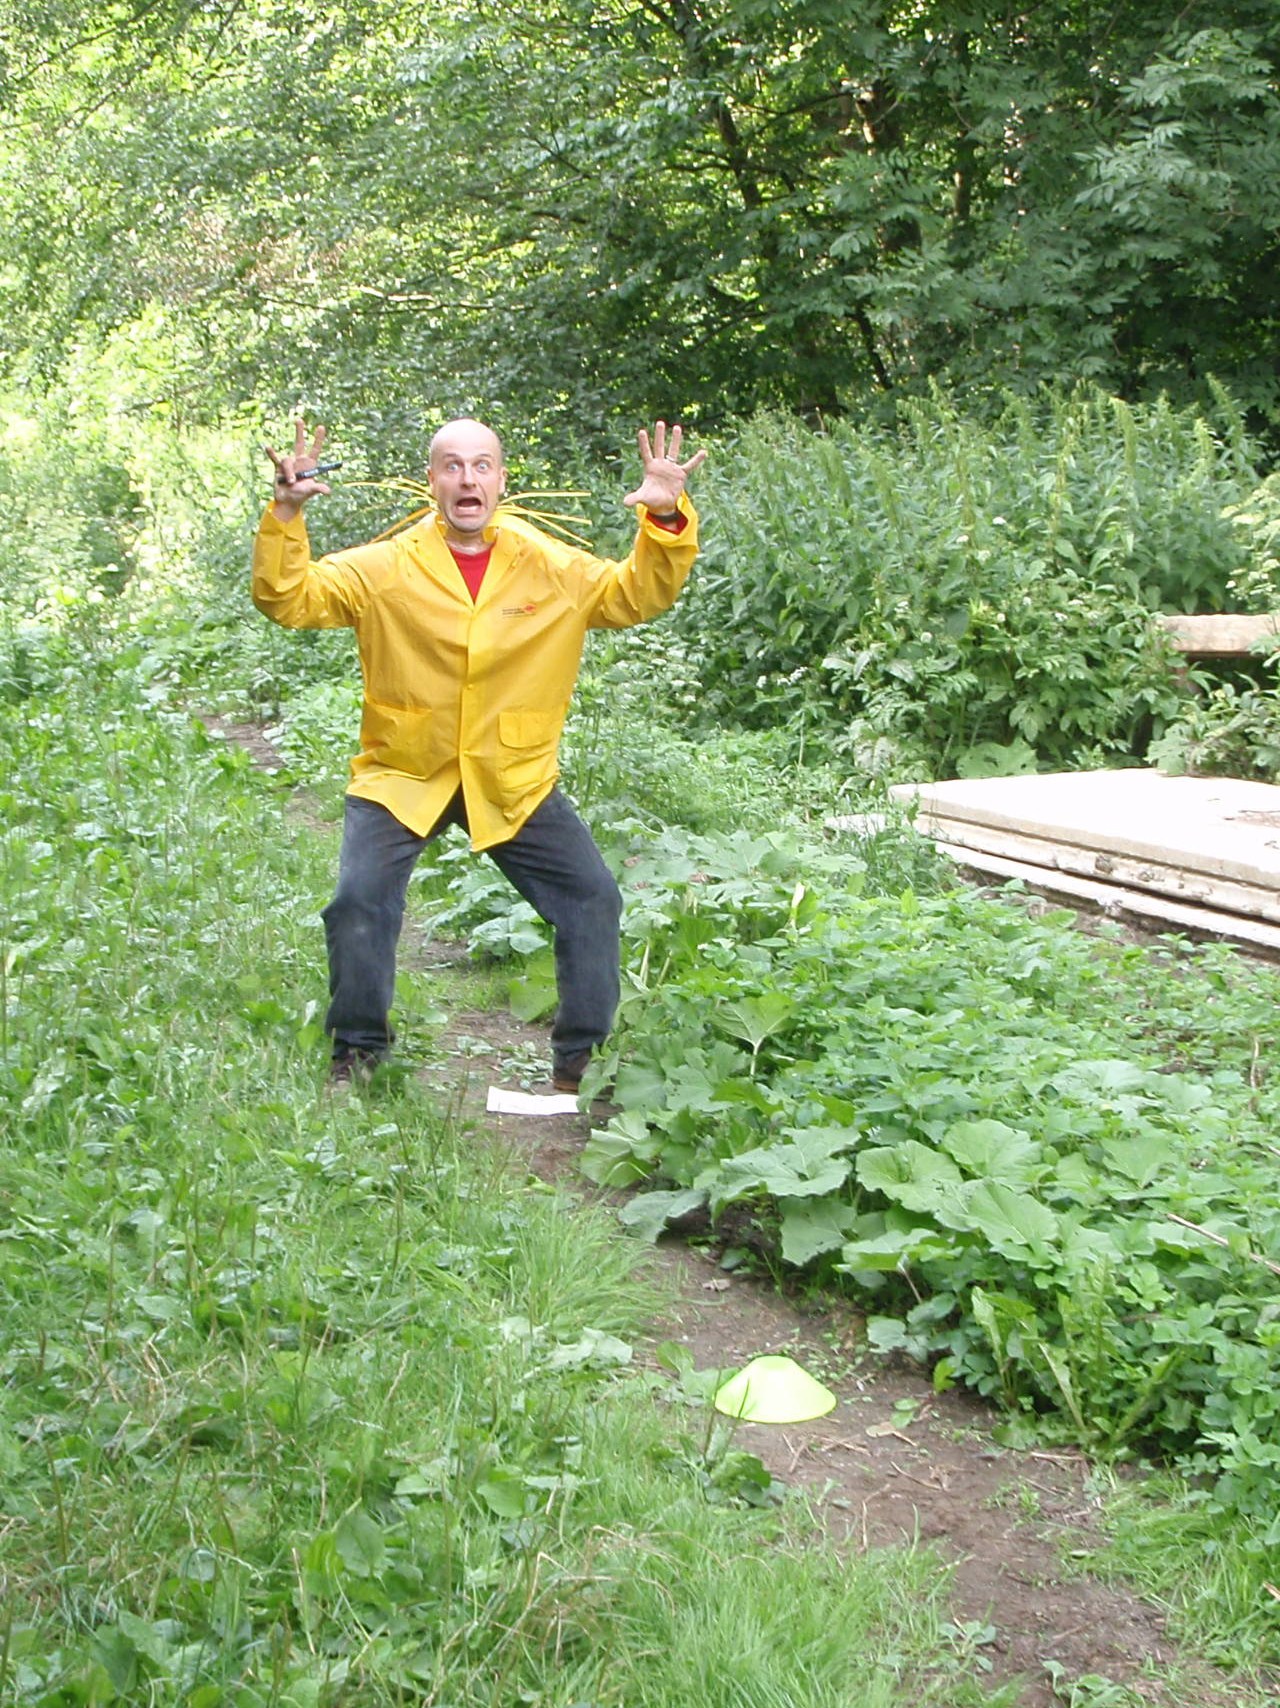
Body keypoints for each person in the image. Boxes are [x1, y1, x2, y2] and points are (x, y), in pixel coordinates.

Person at [253, 414, 706, 1089]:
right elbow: (288, 598)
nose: (468, 478)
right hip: (405, 769)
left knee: (591, 899)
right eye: (453, 466)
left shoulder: (549, 564)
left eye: (482, 465)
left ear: (500, 480)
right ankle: (359, 1054)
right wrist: (287, 513)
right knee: (358, 902)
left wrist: (665, 519)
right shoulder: (386, 567)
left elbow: (635, 594)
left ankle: (581, 1064)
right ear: (432, 480)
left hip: (512, 773)